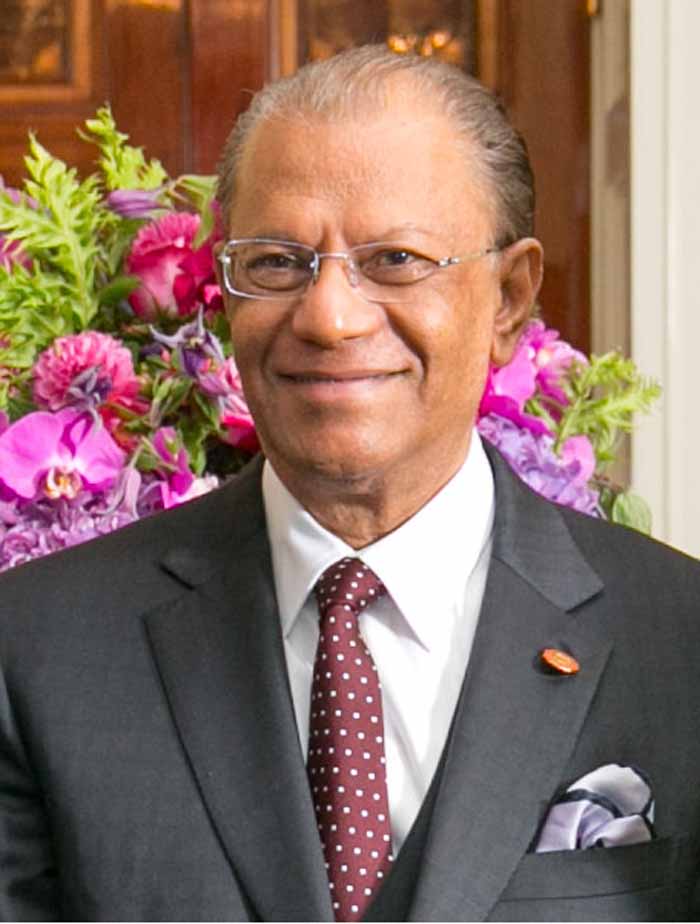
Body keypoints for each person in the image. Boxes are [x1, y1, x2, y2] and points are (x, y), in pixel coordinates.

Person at [0, 44, 698, 922]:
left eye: (396, 259)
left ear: (511, 298)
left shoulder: (680, 642)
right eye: (276, 262)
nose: (329, 317)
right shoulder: (37, 653)